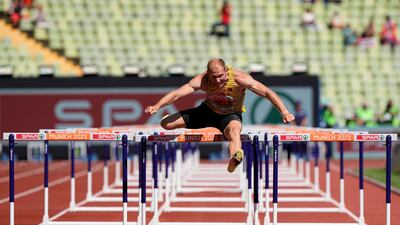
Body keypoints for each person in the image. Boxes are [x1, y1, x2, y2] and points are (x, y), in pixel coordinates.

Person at [145, 58, 295, 173]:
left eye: (220, 76)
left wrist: (284, 111)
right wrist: (157, 106)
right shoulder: (202, 80)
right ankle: (174, 121)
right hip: (206, 112)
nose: (217, 80)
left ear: (226, 70)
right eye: (213, 77)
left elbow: (268, 92)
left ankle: (234, 158)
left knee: (235, 131)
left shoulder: (239, 78)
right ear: (208, 74)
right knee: (166, 125)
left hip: (230, 116)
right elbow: (176, 94)